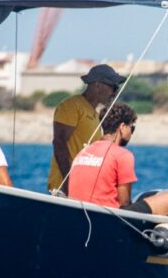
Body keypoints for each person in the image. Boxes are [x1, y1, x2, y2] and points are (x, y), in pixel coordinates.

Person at [68, 103, 168, 216]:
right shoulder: (122, 155)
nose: (131, 133)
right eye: (132, 128)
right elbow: (124, 203)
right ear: (122, 127)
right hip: (107, 218)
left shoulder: (83, 152)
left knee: (150, 196)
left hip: (78, 215)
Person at [47, 64, 125, 194]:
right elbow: (59, 143)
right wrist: (69, 184)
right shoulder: (72, 106)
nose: (115, 93)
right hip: (66, 188)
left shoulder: (94, 114)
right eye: (113, 87)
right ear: (97, 85)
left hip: (84, 188)